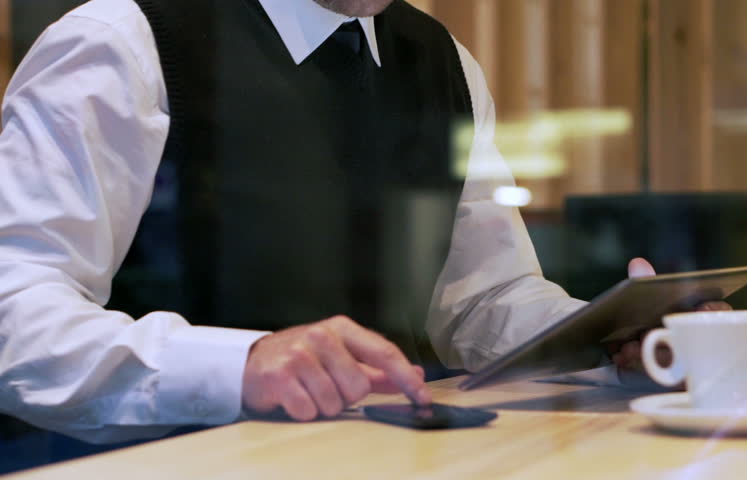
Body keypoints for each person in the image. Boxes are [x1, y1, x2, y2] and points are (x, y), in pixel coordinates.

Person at [0, 0, 689, 446]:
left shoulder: (446, 63)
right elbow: (16, 318)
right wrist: (237, 365)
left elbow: (482, 300)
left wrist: (611, 335)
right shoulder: (121, 42)